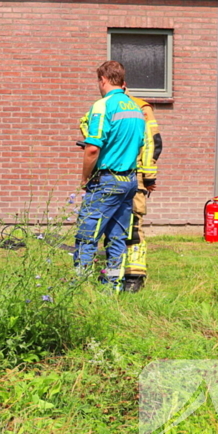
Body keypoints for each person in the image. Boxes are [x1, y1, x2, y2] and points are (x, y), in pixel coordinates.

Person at [73, 61, 146, 288]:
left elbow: (93, 148)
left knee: (87, 235)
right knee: (117, 238)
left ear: (102, 80)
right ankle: (112, 286)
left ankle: (79, 287)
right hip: (129, 181)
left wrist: (85, 178)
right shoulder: (136, 109)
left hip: (106, 181)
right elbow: (140, 145)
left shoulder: (103, 106)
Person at [122, 89, 162, 293]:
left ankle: (134, 276)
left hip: (134, 176)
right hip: (111, 177)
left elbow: (153, 143)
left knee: (133, 228)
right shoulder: (104, 105)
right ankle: (114, 271)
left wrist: (148, 177)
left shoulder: (140, 106)